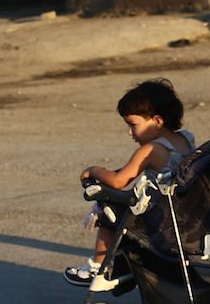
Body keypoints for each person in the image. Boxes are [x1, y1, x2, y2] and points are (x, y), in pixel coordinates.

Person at [66, 78, 196, 290]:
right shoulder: (185, 139)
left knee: (107, 210)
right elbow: (130, 172)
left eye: (133, 125)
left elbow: (119, 182)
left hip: (157, 219)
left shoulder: (151, 150)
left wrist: (95, 170)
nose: (130, 132)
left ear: (157, 121)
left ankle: (97, 267)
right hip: (182, 214)